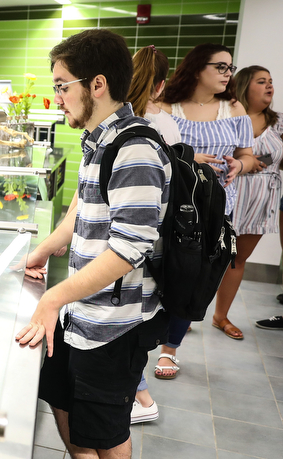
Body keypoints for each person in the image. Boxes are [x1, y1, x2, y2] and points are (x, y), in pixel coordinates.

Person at [16, 29, 170, 458]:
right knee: (65, 406)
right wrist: (41, 252)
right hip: (81, 312)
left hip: (112, 325)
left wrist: (52, 298)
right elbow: (82, 209)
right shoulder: (98, 139)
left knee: (105, 434)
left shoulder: (134, 147)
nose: (58, 97)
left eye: (62, 86)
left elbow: (128, 249)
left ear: (97, 85)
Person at [152, 44, 257, 379]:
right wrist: (188, 158)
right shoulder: (167, 104)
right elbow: (152, 148)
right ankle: (148, 334)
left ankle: (170, 351)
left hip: (215, 207)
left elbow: (250, 157)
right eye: (221, 67)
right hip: (173, 203)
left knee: (195, 276)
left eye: (230, 68)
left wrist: (239, 164)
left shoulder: (234, 107)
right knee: (164, 269)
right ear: (198, 68)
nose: (228, 74)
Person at [124, 44, 180, 424]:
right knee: (132, 320)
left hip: (124, 241)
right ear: (161, 85)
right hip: (153, 242)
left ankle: (140, 398)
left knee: (123, 324)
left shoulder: (120, 120)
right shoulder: (166, 124)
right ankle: (140, 395)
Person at [225, 66, 283, 330]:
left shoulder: (278, 122)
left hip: (260, 201)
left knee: (237, 259)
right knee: (207, 258)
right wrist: (245, 162)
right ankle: (186, 315)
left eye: (271, 81)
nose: (269, 86)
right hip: (229, 194)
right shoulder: (227, 115)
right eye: (262, 81)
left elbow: (279, 159)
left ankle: (220, 317)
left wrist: (258, 161)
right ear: (245, 86)